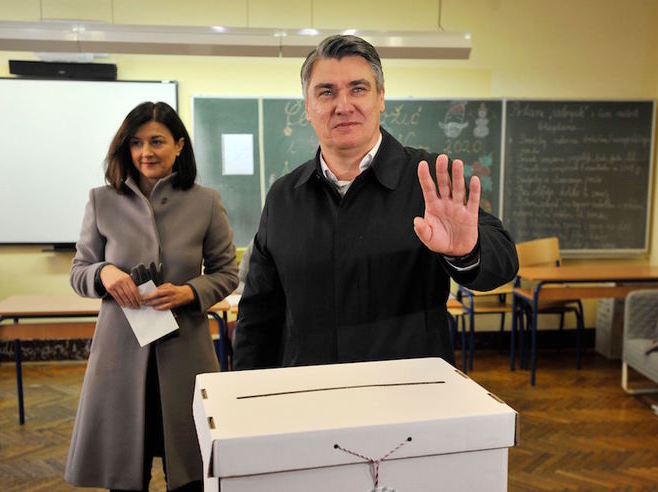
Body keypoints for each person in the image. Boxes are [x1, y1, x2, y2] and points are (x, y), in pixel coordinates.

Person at [232, 35, 518, 370]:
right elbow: (258, 314)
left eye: (358, 89)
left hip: (409, 397)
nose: (343, 105)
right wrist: (245, 391)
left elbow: (504, 260)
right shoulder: (284, 196)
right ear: (307, 107)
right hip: (309, 396)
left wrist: (466, 252)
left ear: (381, 97)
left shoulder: (427, 180)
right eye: (326, 92)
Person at [65, 101, 238, 491]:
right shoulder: (101, 200)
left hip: (186, 356)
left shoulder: (205, 201)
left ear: (179, 145)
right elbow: (79, 272)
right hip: (119, 360)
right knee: (125, 478)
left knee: (192, 475)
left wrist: (189, 291)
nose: (146, 152)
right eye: (136, 143)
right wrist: (104, 272)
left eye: (157, 141)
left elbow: (228, 273)